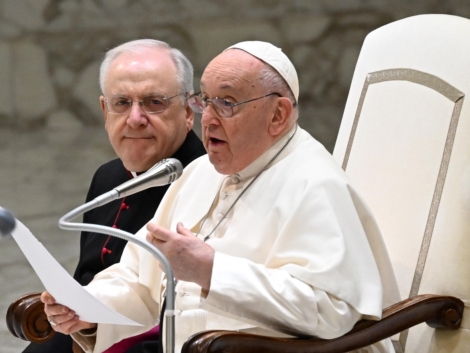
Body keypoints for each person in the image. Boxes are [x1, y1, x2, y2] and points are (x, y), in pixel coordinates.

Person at [42, 41, 400, 353]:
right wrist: (88, 308)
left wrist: (212, 270)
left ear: (279, 115)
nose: (208, 119)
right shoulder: (201, 172)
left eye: (227, 103)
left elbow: (331, 310)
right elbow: (140, 277)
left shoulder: (315, 184)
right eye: (205, 101)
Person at [24, 39, 205, 353]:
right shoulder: (108, 176)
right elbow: (86, 276)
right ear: (105, 111)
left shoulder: (205, 182)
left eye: (154, 102)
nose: (135, 118)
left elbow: (185, 314)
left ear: (188, 111)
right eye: (122, 103)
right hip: (86, 332)